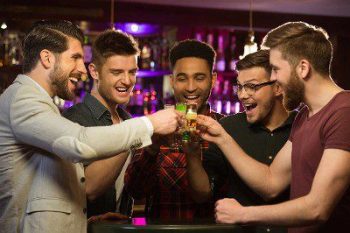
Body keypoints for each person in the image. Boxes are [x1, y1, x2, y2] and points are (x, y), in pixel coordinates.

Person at [0, 20, 179, 233]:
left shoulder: (39, 103)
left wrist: (88, 222)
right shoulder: (22, 98)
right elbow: (79, 143)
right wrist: (150, 124)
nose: (81, 69)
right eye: (74, 58)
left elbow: (54, 192)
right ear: (47, 58)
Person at [195, 22, 350, 233]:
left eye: (276, 69)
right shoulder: (306, 115)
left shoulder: (343, 112)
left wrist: (243, 214)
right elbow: (271, 183)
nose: (274, 79)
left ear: (303, 68)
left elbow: (317, 208)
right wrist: (222, 137)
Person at [186, 49, 296, 233]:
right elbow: (203, 193)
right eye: (239, 86)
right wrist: (192, 155)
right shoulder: (228, 126)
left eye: (252, 86)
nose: (242, 95)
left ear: (278, 87)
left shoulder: (303, 127)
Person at [124, 39, 224, 220]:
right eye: (182, 78)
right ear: (172, 81)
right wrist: (152, 148)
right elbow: (135, 191)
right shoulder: (156, 125)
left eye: (199, 77)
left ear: (213, 79)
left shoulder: (225, 129)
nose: (191, 87)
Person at [63, 29, 139, 218]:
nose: (127, 81)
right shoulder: (74, 120)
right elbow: (89, 188)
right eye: (117, 72)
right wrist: (135, 133)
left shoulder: (127, 120)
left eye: (132, 72)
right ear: (94, 72)